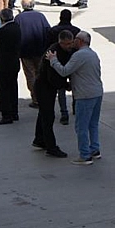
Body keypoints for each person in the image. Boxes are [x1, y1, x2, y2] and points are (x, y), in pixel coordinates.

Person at [46, 31, 104, 165]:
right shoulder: (93, 54)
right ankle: (94, 149)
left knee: (81, 126)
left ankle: (85, 155)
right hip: (97, 92)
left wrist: (53, 60)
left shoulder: (79, 55)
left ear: (80, 41)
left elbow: (64, 71)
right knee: (93, 124)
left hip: (85, 95)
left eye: (75, 40)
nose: (73, 42)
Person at [32, 29, 74, 159]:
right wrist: (65, 85)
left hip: (47, 86)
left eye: (70, 43)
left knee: (43, 114)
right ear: (60, 42)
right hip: (44, 86)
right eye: (65, 44)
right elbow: (52, 77)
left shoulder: (66, 51)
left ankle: (39, 139)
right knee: (48, 116)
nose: (68, 46)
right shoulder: (53, 52)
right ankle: (51, 147)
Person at [15, 0, 51, 108]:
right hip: (40, 51)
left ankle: (35, 98)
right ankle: (42, 96)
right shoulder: (40, 16)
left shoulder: (19, 18)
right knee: (40, 74)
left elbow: (15, 35)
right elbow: (48, 31)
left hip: (25, 52)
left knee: (30, 75)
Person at [47, 9, 80, 125]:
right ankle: (76, 107)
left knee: (61, 90)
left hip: (58, 63)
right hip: (73, 62)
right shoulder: (76, 31)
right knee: (75, 86)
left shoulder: (53, 31)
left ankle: (64, 113)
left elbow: (49, 47)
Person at [0, 8, 22, 125]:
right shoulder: (17, 27)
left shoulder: (4, 30)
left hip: (3, 64)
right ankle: (14, 112)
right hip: (14, 63)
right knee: (13, 88)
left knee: (4, 90)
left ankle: (6, 115)